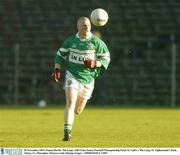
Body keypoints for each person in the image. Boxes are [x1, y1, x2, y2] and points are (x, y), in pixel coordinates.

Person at [51, 17, 110, 141]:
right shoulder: (70, 41)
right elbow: (60, 55)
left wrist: (95, 64)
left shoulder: (96, 42)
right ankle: (67, 133)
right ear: (78, 27)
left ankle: (70, 124)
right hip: (72, 75)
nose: (87, 27)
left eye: (88, 25)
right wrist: (57, 69)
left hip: (88, 79)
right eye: (84, 25)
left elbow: (106, 58)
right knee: (70, 103)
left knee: (77, 110)